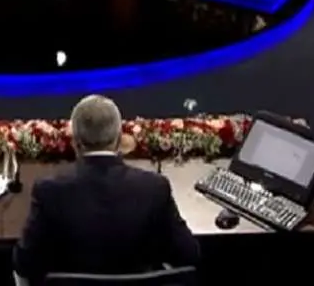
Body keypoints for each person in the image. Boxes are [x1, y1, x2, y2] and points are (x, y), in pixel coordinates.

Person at [13, 95, 200, 284]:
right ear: (119, 140)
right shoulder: (155, 189)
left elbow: (24, 263)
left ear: (75, 142)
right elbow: (189, 254)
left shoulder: (49, 192)